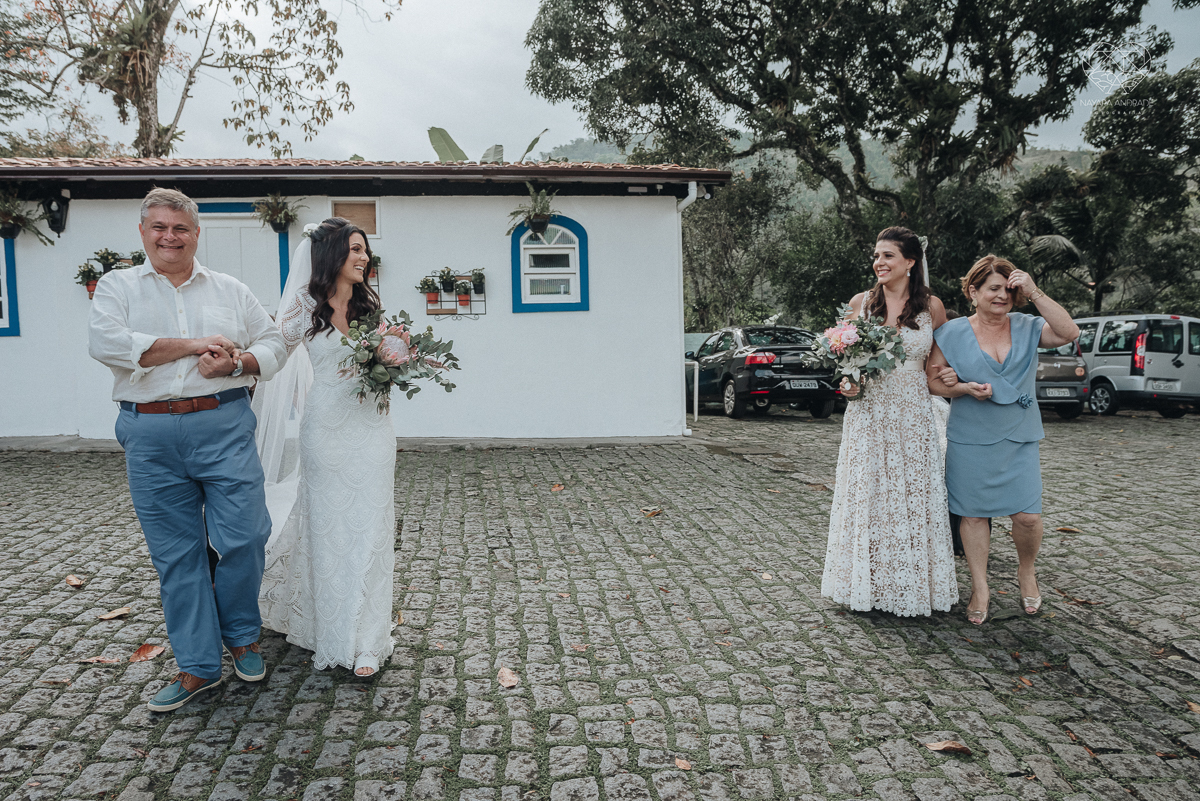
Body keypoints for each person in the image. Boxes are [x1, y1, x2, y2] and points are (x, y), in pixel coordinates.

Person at [88, 188, 288, 711]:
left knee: (246, 534)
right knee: (178, 555)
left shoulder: (230, 288)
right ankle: (198, 665)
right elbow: (109, 344)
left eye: (180, 228)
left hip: (223, 425)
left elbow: (274, 342)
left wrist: (237, 363)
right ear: (143, 233)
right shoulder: (117, 286)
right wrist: (197, 344)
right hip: (149, 433)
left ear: (196, 235)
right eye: (159, 227)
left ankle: (241, 634)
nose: (169, 236)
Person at [255, 218, 396, 677]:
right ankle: (331, 631)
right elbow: (276, 354)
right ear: (333, 254)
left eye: (365, 250)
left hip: (373, 431)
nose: (364, 258)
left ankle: (370, 638)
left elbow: (390, 357)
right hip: (325, 432)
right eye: (356, 249)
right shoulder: (304, 306)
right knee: (328, 528)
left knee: (371, 527)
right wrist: (241, 362)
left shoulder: (370, 307)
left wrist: (398, 361)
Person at [928, 255, 1080, 624]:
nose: (1003, 296)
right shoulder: (949, 332)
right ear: (973, 291)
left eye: (1009, 290)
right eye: (994, 289)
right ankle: (980, 586)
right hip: (970, 437)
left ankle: (1026, 571)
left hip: (1019, 435)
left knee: (1027, 517)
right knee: (974, 516)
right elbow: (933, 382)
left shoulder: (1029, 326)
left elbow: (1069, 332)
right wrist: (962, 388)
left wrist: (1034, 290)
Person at [820, 226, 959, 616]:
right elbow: (847, 368)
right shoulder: (861, 304)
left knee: (911, 496)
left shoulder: (932, 307)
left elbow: (936, 369)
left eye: (888, 256)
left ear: (910, 262)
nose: (879, 263)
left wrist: (950, 379)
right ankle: (866, 584)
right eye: (877, 256)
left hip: (913, 413)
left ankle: (913, 586)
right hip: (868, 413)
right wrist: (848, 384)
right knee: (870, 495)